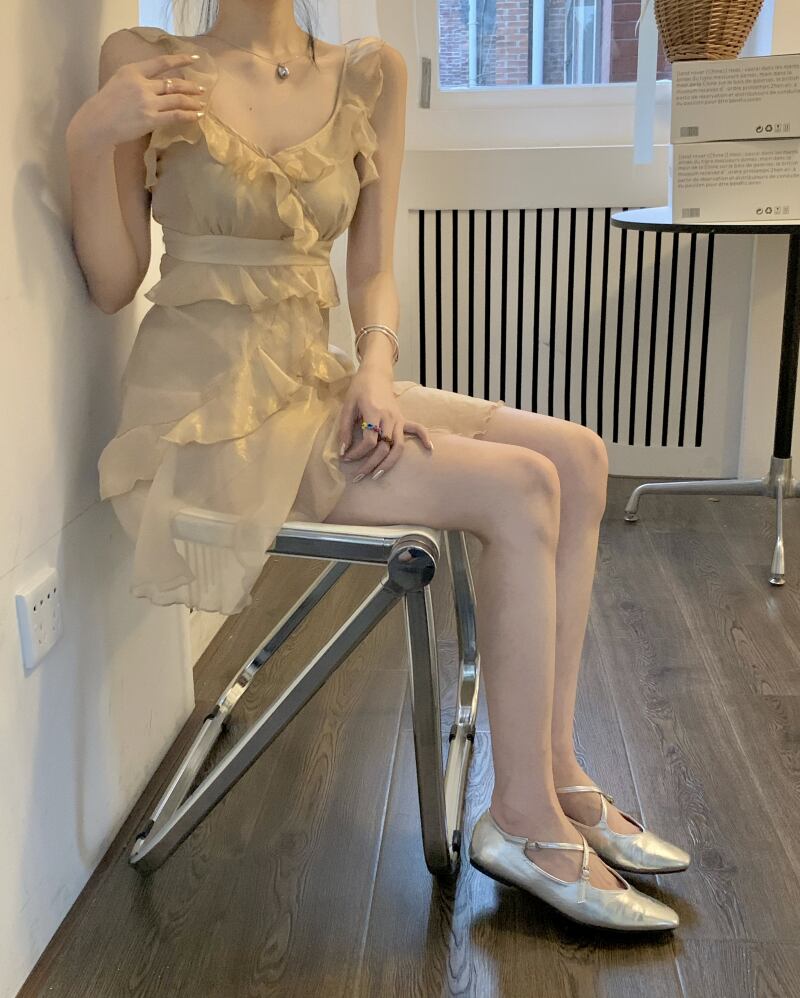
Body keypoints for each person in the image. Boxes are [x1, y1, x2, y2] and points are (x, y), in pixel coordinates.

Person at [65, 0, 690, 931]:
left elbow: (370, 270)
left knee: (578, 455)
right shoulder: (144, 60)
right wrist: (91, 135)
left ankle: (554, 771)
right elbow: (114, 283)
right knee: (523, 488)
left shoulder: (369, 72)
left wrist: (376, 370)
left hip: (313, 379)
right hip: (209, 417)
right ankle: (521, 821)